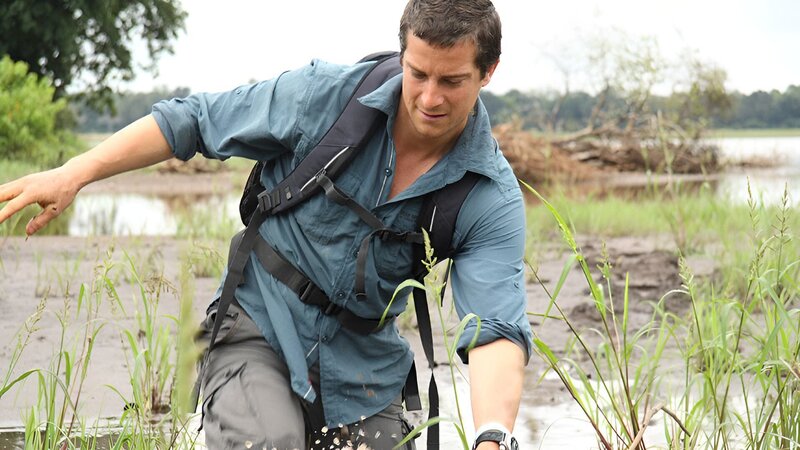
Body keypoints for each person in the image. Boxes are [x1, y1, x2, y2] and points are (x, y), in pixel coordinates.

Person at [0, 0, 532, 448]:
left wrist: (491, 437)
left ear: (488, 71)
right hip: (259, 326)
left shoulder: (489, 196)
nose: (430, 97)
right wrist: (75, 172)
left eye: (452, 81)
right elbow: (193, 120)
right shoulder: (324, 98)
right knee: (269, 441)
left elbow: (495, 331)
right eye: (418, 73)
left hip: (364, 368)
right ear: (402, 55)